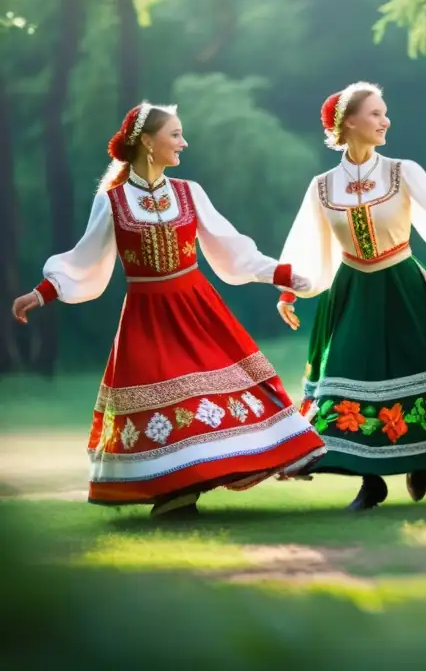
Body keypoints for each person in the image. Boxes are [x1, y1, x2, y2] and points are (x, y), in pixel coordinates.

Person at [9, 102, 325, 517]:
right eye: (175, 134)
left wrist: (281, 274)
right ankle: (174, 493)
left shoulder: (189, 192)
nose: (183, 142)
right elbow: (87, 259)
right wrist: (43, 292)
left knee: (221, 387)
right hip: (146, 316)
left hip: (197, 309)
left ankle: (278, 452)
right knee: (163, 400)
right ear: (147, 141)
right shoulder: (114, 201)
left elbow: (230, 248)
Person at [275, 82, 426, 510]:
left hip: (403, 283)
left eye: (385, 113)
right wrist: (290, 291)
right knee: (354, 378)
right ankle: (372, 483)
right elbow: (308, 241)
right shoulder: (323, 186)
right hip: (352, 291)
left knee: (420, 369)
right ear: (349, 122)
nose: (385, 121)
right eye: (376, 114)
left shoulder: (402, 171)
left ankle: (421, 455)